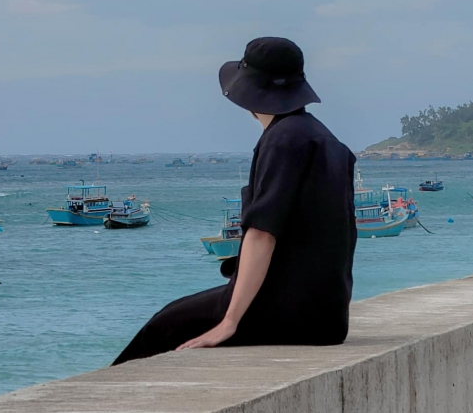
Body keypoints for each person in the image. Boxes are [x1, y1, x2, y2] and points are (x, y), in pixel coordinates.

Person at [111, 36, 357, 365]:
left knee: (164, 326)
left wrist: (229, 322)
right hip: (328, 316)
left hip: (286, 313)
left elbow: (262, 233)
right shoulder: (328, 142)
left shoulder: (281, 141)